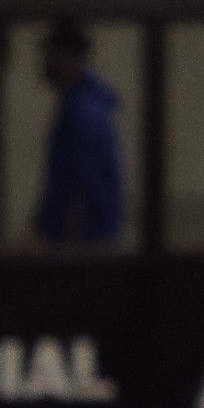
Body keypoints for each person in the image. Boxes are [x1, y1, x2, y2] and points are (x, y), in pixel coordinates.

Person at [31, 19, 122, 248]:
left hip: (83, 243)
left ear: (66, 57)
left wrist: (63, 241)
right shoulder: (81, 106)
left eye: (50, 53)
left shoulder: (82, 112)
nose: (45, 61)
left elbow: (82, 186)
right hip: (83, 239)